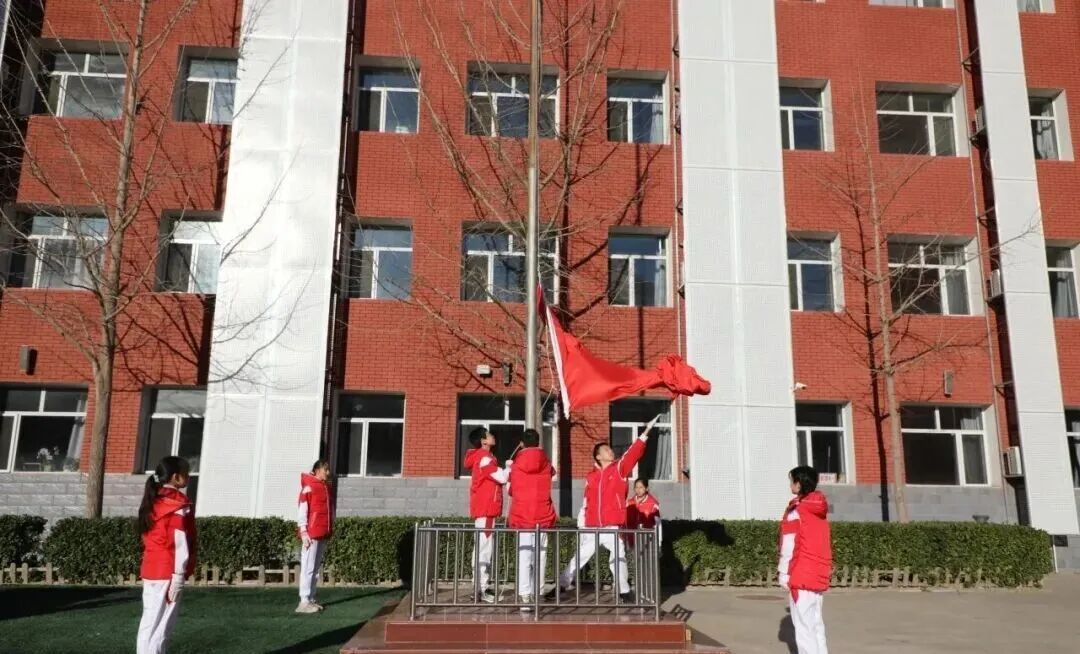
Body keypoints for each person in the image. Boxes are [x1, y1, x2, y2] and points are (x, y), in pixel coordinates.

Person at [557, 416, 657, 601]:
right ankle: (561, 585)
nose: (610, 451)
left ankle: (624, 591)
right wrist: (582, 522)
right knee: (580, 556)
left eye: (610, 449)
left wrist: (644, 434)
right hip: (592, 525)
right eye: (606, 450)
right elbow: (586, 501)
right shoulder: (591, 477)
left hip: (612, 525)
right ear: (598, 456)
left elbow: (632, 454)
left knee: (618, 558)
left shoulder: (619, 469)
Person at [137, 456, 197, 654]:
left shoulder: (154, 500)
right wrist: (179, 575)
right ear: (176, 477)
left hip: (151, 568)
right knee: (162, 627)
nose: (188, 476)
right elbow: (179, 541)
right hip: (168, 571)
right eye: (186, 473)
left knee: (149, 623)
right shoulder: (177, 504)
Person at [778, 466, 832, 654]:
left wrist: (783, 573)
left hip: (800, 573)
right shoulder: (818, 509)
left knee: (803, 628)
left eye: (792, 481)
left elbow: (789, 544)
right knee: (816, 624)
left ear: (799, 484)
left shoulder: (796, 511)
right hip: (818, 573)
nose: (790, 485)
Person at [507, 428, 556, 610]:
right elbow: (552, 473)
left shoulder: (516, 465)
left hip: (523, 515)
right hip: (543, 514)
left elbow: (511, 490)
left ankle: (525, 595)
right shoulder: (547, 463)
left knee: (524, 556)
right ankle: (538, 592)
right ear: (538, 441)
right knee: (540, 556)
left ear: (522, 443)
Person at [463, 426, 512, 603]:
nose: (492, 436)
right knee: (484, 550)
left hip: (485, 509)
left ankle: (480, 587)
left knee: (482, 548)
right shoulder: (484, 458)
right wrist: (509, 467)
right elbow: (502, 478)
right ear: (483, 441)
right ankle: (480, 589)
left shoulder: (484, 457)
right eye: (489, 435)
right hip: (486, 509)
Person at [297, 460, 333, 614]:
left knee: (315, 569)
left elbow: (330, 510)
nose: (328, 472)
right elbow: (302, 509)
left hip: (322, 532)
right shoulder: (309, 487)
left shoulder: (326, 487)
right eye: (326, 469)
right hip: (311, 533)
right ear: (318, 470)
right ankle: (304, 601)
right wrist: (303, 532)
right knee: (308, 567)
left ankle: (311, 598)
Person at [625, 477, 662, 549]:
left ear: (646, 488)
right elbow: (625, 523)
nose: (638, 490)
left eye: (641, 487)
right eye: (636, 487)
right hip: (631, 539)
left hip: (647, 541)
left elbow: (658, 524)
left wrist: (659, 542)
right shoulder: (629, 503)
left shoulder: (653, 504)